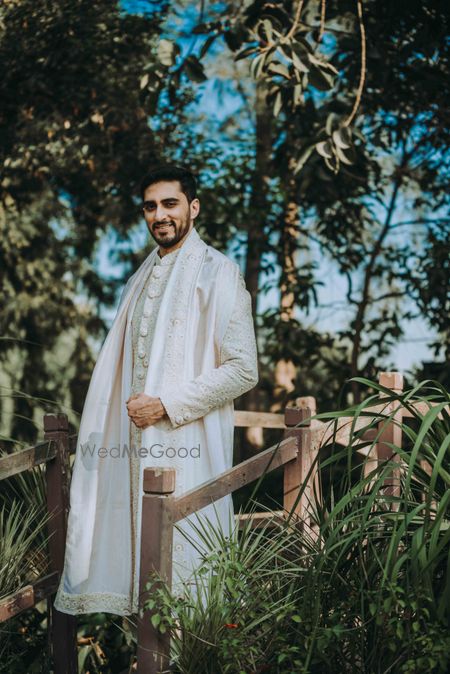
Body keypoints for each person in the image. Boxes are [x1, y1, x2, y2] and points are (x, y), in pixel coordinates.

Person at [54, 164, 258, 615]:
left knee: (189, 584)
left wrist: (165, 405)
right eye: (151, 206)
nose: (159, 214)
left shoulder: (219, 273)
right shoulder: (138, 280)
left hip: (188, 448)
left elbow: (244, 370)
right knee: (135, 577)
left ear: (193, 207)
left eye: (170, 203)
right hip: (129, 452)